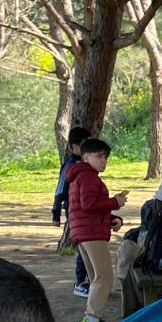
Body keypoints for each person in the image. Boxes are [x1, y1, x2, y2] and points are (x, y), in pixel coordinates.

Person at [65, 137, 128, 322]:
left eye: (105, 157)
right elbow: (89, 205)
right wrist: (115, 202)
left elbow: (88, 208)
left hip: (84, 232)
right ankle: (91, 320)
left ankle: (93, 319)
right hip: (91, 234)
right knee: (104, 278)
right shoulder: (89, 176)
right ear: (85, 157)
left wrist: (112, 219)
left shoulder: (80, 176)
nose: (103, 161)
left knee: (96, 278)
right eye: (99, 156)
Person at [51, 126, 90, 298]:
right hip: (74, 212)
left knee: (89, 247)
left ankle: (90, 280)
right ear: (75, 147)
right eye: (85, 144)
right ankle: (80, 283)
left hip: (86, 211)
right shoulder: (70, 166)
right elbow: (60, 190)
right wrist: (56, 213)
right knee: (83, 247)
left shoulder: (86, 164)